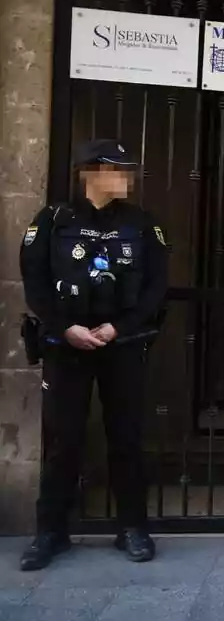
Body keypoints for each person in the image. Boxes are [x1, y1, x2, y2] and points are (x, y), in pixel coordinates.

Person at [18, 139, 168, 571]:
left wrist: (120, 327)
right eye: (120, 168)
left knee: (127, 437)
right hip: (67, 347)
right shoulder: (53, 220)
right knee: (63, 439)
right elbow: (36, 282)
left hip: (121, 346)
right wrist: (65, 328)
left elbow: (156, 287)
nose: (129, 177)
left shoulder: (143, 225)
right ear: (93, 171)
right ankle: (51, 532)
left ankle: (132, 527)